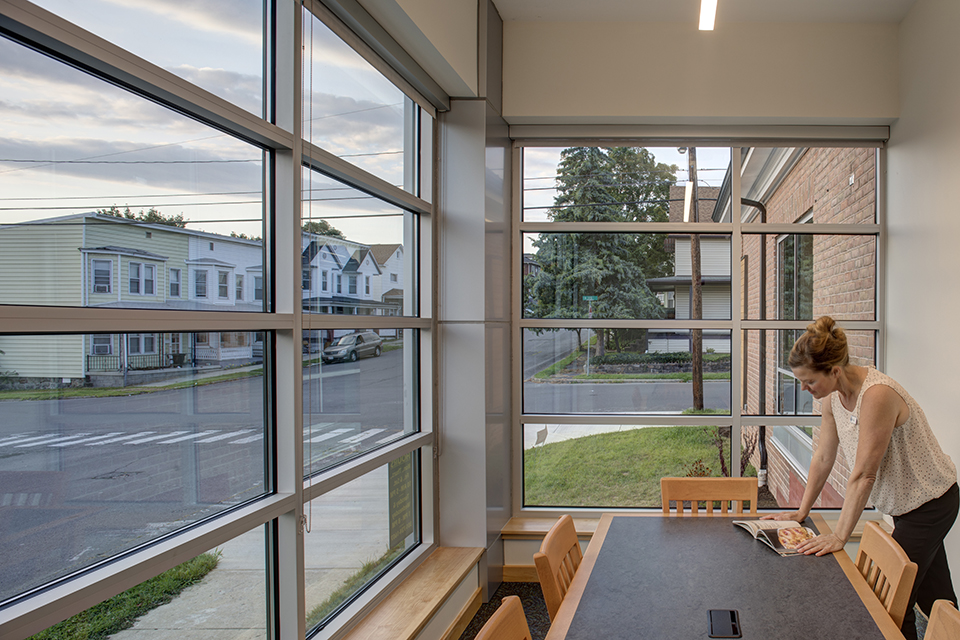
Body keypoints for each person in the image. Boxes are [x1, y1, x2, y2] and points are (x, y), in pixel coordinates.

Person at [762, 316, 958, 640]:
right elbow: (823, 458)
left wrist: (839, 536)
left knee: (891, 602)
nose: (803, 388)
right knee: (937, 600)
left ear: (834, 371)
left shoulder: (877, 396)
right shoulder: (832, 400)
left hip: (930, 504)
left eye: (808, 380)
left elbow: (865, 474)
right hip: (907, 505)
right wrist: (801, 511)